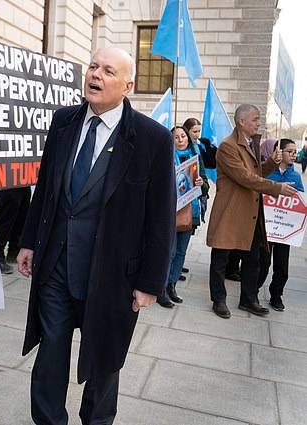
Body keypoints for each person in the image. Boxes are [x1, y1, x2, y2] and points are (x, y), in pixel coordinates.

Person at [17, 47, 175, 425]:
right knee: (51, 350)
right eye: (92, 66)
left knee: (104, 360)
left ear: (128, 85)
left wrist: (151, 282)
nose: (96, 75)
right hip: (55, 263)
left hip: (113, 273)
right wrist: (27, 241)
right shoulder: (64, 122)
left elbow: (160, 216)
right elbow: (47, 187)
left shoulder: (152, 139)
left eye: (107, 70)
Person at [206, 104, 297, 319]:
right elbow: (244, 177)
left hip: (251, 211)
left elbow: (256, 173)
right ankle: (218, 300)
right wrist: (277, 188)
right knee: (221, 257)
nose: (259, 123)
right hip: (230, 211)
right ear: (241, 122)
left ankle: (248, 299)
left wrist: (271, 165)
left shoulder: (251, 144)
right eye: (255, 119)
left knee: (253, 258)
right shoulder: (228, 146)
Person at [157, 126, 209, 308]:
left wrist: (201, 184)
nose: (180, 139)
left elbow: (206, 187)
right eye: (176, 137)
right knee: (169, 253)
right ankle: (161, 289)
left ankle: (172, 285)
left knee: (180, 252)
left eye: (183, 136)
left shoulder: (196, 158)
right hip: (170, 213)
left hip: (190, 213)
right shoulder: (166, 158)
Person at [257, 138, 304, 311]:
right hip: (267, 226)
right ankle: (253, 291)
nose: (293, 155)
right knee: (263, 262)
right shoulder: (268, 172)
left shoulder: (296, 176)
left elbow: (300, 201)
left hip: (285, 229)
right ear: (280, 152)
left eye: (295, 152)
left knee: (282, 265)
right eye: (290, 151)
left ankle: (276, 295)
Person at [0, 186, 31, 273]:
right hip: (7, 178)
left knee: (22, 212)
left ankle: (14, 251)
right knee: (6, 216)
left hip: (22, 177)